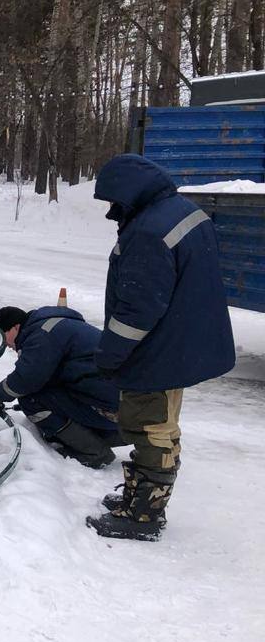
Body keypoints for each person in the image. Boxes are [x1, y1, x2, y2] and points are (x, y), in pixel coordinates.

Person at [85, 154, 236, 541]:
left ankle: (144, 516)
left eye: (112, 201)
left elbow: (137, 310)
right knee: (162, 424)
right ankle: (138, 499)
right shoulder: (184, 212)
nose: (111, 211)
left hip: (156, 351)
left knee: (149, 428)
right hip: (181, 339)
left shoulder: (148, 233)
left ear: (128, 193)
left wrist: (109, 354)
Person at [0, 305, 122, 468]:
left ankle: (94, 452)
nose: (6, 344)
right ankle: (88, 438)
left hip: (114, 408)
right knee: (45, 393)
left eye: (4, 336)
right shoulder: (53, 324)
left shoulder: (42, 334)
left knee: (32, 400)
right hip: (125, 400)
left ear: (15, 327)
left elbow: (28, 378)